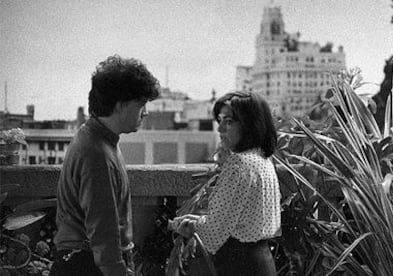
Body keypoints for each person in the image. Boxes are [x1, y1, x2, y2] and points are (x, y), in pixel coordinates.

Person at [51, 55, 160, 276]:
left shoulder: (95, 137)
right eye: (141, 104)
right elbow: (103, 230)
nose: (146, 112)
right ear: (120, 105)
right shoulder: (97, 154)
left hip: (83, 261)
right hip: (87, 264)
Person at [171, 91, 281, 276]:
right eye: (220, 120)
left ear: (250, 125)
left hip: (239, 265)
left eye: (229, 121)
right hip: (262, 262)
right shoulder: (262, 160)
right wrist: (197, 221)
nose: (220, 129)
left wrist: (187, 227)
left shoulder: (239, 165)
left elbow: (213, 234)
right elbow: (241, 222)